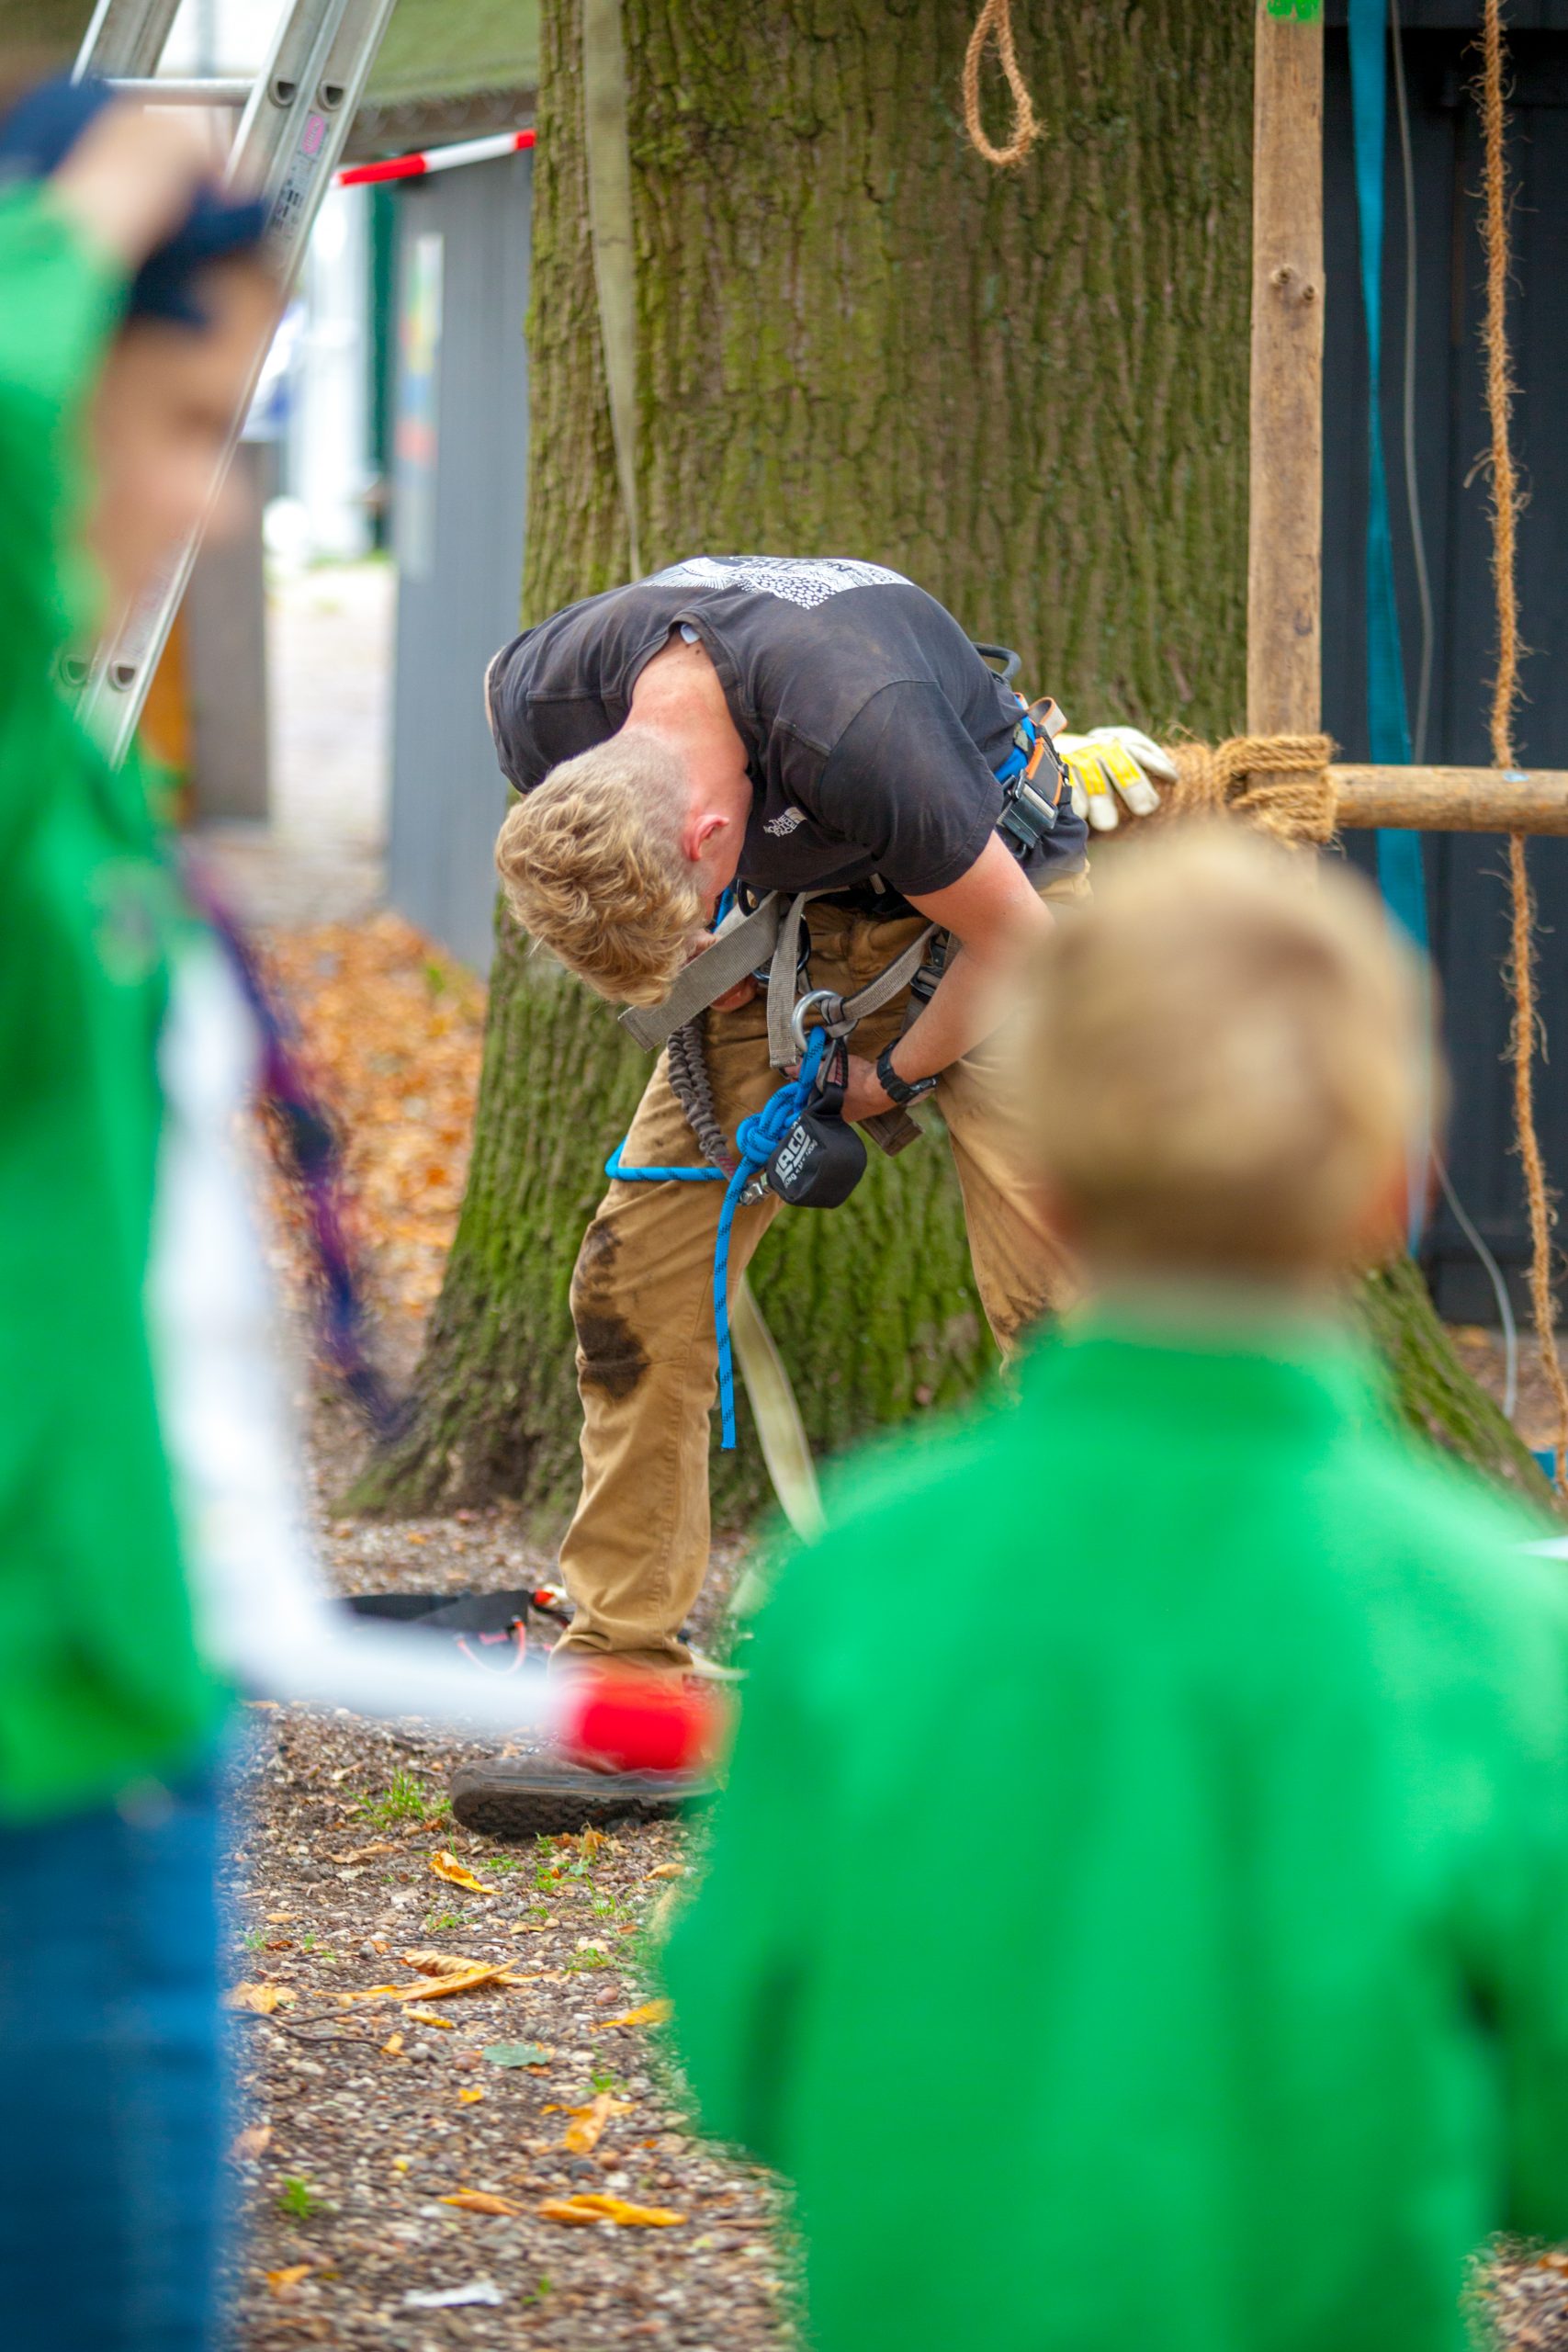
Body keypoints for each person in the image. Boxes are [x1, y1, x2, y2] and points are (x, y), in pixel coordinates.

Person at [0, 81, 695, 2352]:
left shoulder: (69, 809)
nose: (205, 494)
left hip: (131, 1720)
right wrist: (98, 195)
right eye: (181, 413)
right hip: (47, 1770)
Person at [662, 826, 1568, 2352]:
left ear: (1055, 1174)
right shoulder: (1496, 1623)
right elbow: (1546, 2134)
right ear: (1392, 1187)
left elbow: (744, 2048)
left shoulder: (856, 1575)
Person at [460, 554, 1170, 1833]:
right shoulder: (542, 699)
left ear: (706, 839)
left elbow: (1021, 942)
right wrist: (714, 962)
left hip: (993, 905)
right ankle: (624, 1675)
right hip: (786, 915)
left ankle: (1114, 1691)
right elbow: (645, 903)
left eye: (680, 926)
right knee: (636, 1279)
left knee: (1062, 1298)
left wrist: (882, 1075)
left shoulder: (861, 729)